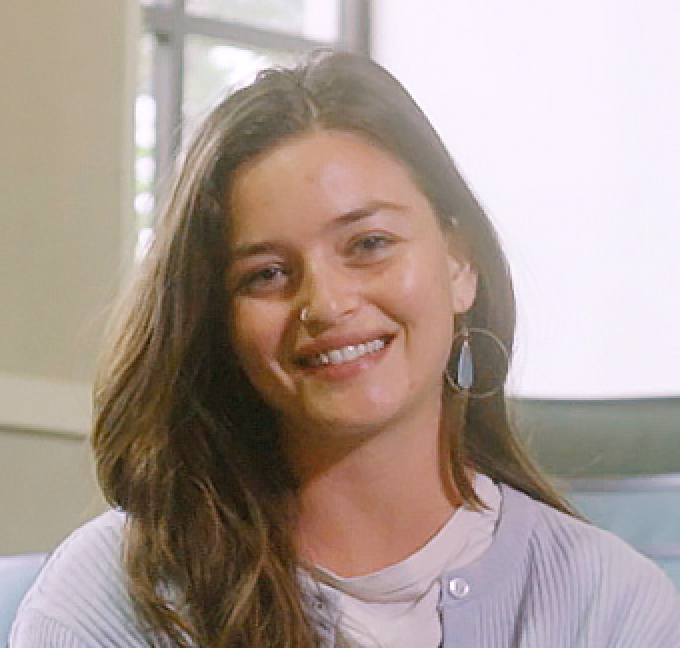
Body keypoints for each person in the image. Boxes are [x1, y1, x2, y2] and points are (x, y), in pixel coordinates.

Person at [10, 51, 680, 648]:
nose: (326, 304)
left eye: (369, 244)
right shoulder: (109, 602)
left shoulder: (609, 602)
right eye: (267, 274)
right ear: (220, 321)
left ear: (459, 263)